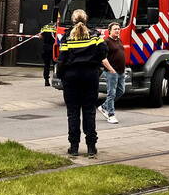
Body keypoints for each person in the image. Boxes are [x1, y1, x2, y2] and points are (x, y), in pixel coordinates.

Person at [56, 9, 107, 157]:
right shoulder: (95, 35)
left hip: (71, 77)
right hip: (90, 76)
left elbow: (62, 59)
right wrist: (96, 67)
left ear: (73, 20)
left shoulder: (67, 36)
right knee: (89, 111)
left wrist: (61, 75)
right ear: (86, 19)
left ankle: (74, 148)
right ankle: (91, 147)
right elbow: (104, 51)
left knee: (73, 113)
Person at [98, 23, 126, 124]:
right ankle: (111, 115)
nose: (117, 31)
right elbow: (103, 59)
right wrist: (111, 70)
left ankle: (104, 106)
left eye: (118, 29)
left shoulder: (119, 40)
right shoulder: (106, 42)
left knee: (121, 91)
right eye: (115, 29)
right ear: (109, 30)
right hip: (111, 72)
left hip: (121, 71)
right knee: (111, 93)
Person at [40, 19, 57, 86]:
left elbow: (40, 36)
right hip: (54, 48)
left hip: (46, 48)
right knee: (55, 65)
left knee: (46, 65)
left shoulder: (45, 27)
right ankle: (56, 79)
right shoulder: (56, 28)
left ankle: (46, 80)